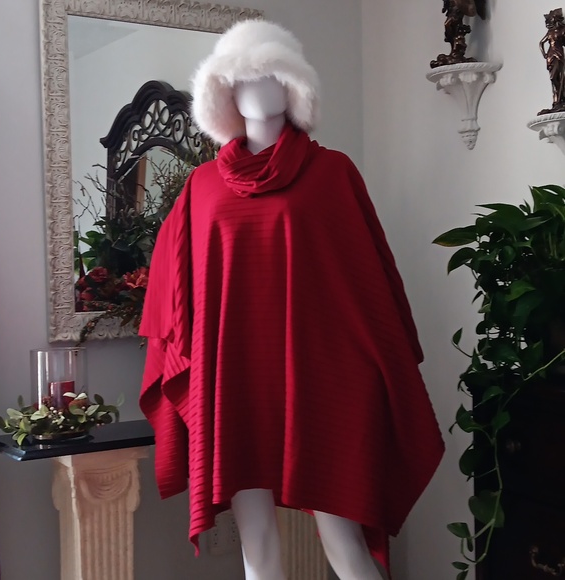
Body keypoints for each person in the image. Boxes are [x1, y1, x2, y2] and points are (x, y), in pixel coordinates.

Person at [139, 19, 444, 580]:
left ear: (295, 87)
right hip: (235, 383)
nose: (259, 89)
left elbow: (366, 281)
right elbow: (181, 292)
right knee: (256, 546)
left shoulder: (333, 173)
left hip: (319, 381)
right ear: (223, 94)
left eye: (272, 75)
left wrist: (377, 366)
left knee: (343, 540)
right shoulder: (202, 187)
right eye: (244, 79)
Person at [539, 8, 565, 114]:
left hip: (559, 54)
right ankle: (556, 101)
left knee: (560, 76)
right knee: (553, 78)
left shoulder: (562, 30)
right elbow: (541, 43)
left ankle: (560, 99)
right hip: (550, 55)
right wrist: (544, 54)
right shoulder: (550, 32)